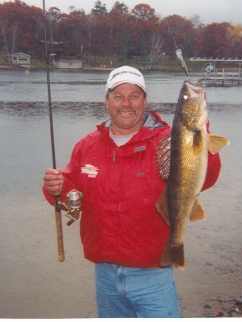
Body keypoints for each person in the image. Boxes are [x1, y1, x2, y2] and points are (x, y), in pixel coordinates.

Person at [42, 65, 221, 318]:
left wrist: (201, 137)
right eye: (118, 96)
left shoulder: (168, 139)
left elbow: (205, 177)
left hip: (153, 273)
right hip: (105, 274)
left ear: (145, 101)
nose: (126, 103)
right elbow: (71, 193)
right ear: (106, 102)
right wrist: (55, 188)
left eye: (134, 96)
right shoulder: (87, 145)